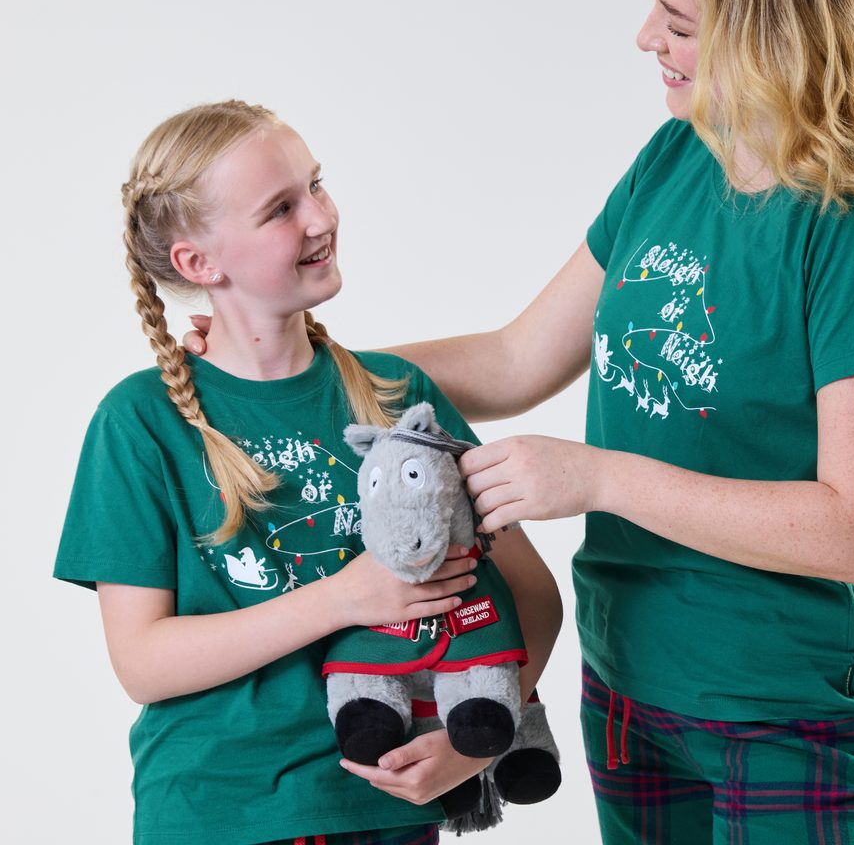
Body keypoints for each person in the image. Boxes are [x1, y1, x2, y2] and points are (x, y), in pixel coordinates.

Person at [351, 0, 854, 845]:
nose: (645, 37)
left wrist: (598, 477)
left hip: (789, 711)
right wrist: (297, 364)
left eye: (678, 21)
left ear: (770, 32)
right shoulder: (679, 154)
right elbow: (515, 359)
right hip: (632, 686)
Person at [53, 100, 561, 845]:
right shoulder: (137, 422)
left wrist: (471, 746)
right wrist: (341, 599)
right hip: (219, 814)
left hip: (389, 807)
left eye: (316, 185)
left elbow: (533, 596)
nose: (322, 217)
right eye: (281, 208)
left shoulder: (402, 397)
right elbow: (142, 663)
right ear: (199, 264)